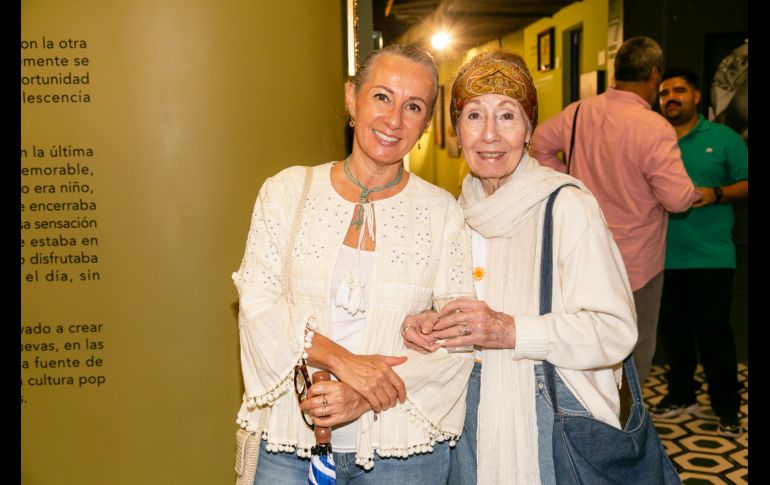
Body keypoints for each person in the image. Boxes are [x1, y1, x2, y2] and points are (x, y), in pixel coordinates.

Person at [232, 44, 475, 484]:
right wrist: (345, 361)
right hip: (291, 443)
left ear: (426, 123)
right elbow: (257, 304)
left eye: (413, 106)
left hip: (402, 453)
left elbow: (459, 338)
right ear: (352, 98)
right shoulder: (286, 192)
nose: (394, 120)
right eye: (382, 97)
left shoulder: (442, 213)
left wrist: (362, 396)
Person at [402, 49, 638, 485]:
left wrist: (513, 331)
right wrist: (427, 324)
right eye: (474, 116)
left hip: (551, 415)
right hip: (468, 413)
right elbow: (460, 315)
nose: (489, 134)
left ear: (529, 129)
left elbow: (615, 330)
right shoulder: (457, 212)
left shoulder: (567, 207)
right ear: (456, 131)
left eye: (507, 116)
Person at [531, 36, 700, 386]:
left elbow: (535, 146)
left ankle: (591, 422)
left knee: (586, 348)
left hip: (581, 254)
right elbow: (678, 199)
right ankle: (627, 430)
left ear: (616, 71)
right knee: (634, 353)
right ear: (654, 75)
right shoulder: (654, 127)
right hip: (637, 263)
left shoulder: (579, 112)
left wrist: (571, 183)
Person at [651, 66, 748, 438]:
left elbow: (745, 182)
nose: (670, 98)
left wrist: (718, 193)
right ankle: (680, 397)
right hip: (660, 256)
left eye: (678, 91)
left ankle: (726, 409)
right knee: (673, 334)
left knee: (714, 335)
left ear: (696, 96)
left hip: (711, 258)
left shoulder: (723, 139)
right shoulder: (653, 139)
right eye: (663, 93)